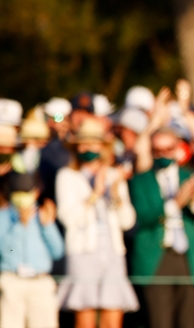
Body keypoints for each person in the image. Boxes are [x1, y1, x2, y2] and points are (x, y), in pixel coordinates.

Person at [56, 118, 139, 327]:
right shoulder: (67, 176)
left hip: (112, 252)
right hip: (83, 252)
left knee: (113, 314)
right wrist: (95, 194)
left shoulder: (113, 175)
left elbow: (127, 221)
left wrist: (115, 194)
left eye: (93, 143)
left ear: (102, 146)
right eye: (84, 143)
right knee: (86, 315)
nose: (89, 147)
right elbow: (68, 218)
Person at [129, 126, 194, 328]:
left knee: (188, 321)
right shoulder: (140, 180)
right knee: (160, 322)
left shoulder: (191, 176)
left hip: (189, 256)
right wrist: (174, 204)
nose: (163, 154)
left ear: (177, 149)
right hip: (156, 256)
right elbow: (143, 216)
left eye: (168, 149)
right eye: (157, 150)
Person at [0, 171, 64, 328]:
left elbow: (58, 251)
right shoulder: (3, 216)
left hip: (40, 281)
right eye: (18, 192)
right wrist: (20, 226)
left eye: (25, 192)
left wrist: (48, 226)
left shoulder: (43, 215)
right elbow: (5, 252)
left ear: (35, 193)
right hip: (12, 281)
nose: (21, 197)